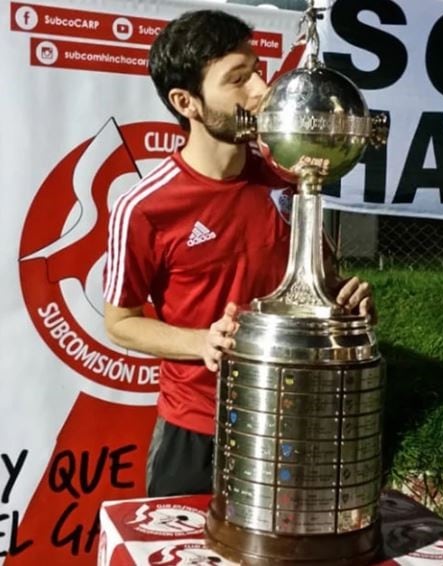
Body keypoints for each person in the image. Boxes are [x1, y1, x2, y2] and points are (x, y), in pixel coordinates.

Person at [103, 9, 375, 498]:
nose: (261, 90)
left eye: (257, 70)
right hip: (196, 430)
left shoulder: (291, 179)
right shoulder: (144, 207)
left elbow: (321, 285)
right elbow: (120, 321)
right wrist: (202, 342)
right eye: (238, 79)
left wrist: (346, 306)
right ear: (187, 102)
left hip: (295, 423)